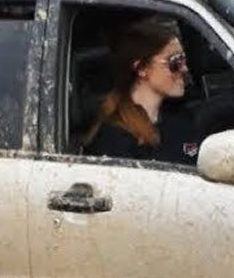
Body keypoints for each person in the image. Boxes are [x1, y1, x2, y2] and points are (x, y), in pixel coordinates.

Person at [81, 15, 207, 166]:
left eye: (183, 59)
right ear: (142, 69)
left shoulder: (182, 118)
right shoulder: (114, 137)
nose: (184, 69)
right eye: (175, 62)